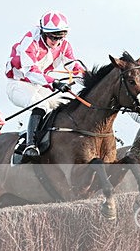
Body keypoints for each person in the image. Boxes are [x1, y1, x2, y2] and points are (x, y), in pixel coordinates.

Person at [5, 10, 85, 158]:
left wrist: (88, 79)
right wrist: (54, 83)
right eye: (52, 37)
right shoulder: (30, 41)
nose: (56, 41)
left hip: (40, 84)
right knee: (40, 105)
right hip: (18, 83)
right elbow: (31, 72)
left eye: (60, 37)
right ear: (43, 32)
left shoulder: (64, 45)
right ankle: (30, 145)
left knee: (67, 101)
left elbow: (73, 66)